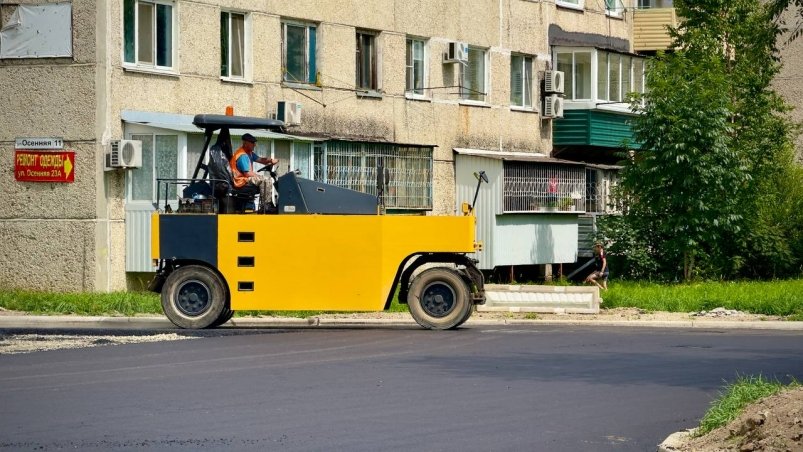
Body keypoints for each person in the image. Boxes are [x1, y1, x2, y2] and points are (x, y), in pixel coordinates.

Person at [229, 133, 279, 211]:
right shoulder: (242, 155)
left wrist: (271, 160)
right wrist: (259, 176)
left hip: (245, 179)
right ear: (245, 143)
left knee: (266, 179)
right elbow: (247, 173)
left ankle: (266, 205)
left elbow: (261, 160)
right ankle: (265, 206)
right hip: (240, 181)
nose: (254, 145)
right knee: (265, 180)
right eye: (252, 143)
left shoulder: (249, 153)